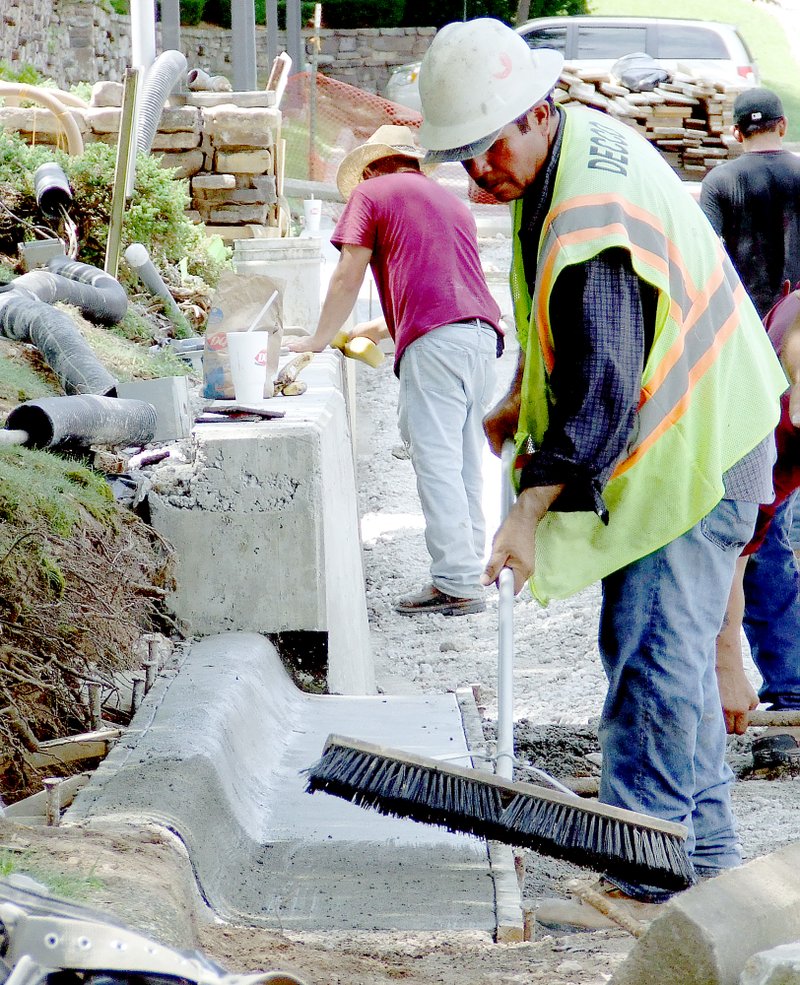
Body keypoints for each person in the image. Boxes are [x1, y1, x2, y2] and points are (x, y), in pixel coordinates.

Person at [415, 17, 787, 921]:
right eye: (461, 157)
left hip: (695, 455)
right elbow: (576, 344)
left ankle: (648, 877)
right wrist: (516, 402)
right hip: (717, 435)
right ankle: (709, 864)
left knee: (653, 658)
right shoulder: (574, 155)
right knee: (678, 660)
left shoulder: (589, 212)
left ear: (537, 112)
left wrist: (524, 514)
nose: (478, 173)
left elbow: (604, 386)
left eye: (488, 147)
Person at [286, 124, 503, 616]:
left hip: (438, 345)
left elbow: (347, 274)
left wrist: (320, 338)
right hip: (479, 338)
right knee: (465, 460)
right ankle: (470, 569)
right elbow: (441, 288)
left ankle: (455, 582)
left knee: (435, 460)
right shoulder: (447, 201)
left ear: (370, 165)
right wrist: (380, 329)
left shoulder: (370, 191)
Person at [716, 284, 800, 741]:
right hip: (700, 455)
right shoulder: (773, 433)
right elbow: (736, 548)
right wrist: (726, 660)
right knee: (760, 553)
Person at [699, 87, 800, 319]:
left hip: (744, 318)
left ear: (737, 132)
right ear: (782, 125)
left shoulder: (719, 181)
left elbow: (705, 253)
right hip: (797, 318)